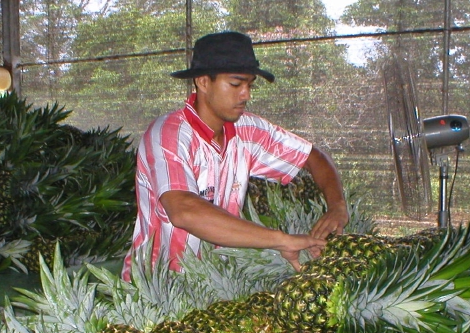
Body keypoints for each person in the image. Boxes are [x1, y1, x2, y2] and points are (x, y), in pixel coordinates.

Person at [121, 31, 349, 281]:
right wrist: (280, 240)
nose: (246, 95)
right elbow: (183, 210)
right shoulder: (168, 134)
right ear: (203, 82)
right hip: (159, 285)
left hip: (217, 282)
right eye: (236, 84)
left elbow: (313, 157)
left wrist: (337, 207)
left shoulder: (247, 131)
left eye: (250, 85)